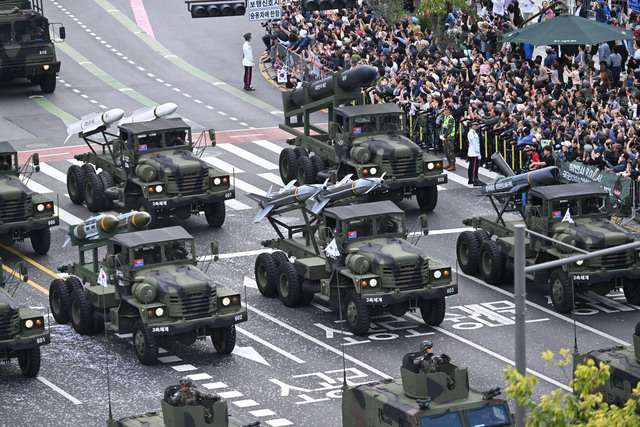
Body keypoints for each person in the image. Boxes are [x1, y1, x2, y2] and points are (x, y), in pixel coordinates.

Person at [441, 106, 456, 171]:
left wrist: (445, 136)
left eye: (445, 109)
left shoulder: (451, 118)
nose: (444, 111)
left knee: (450, 151)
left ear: (449, 111)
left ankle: (453, 165)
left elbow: (449, 129)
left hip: (449, 137)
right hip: (445, 137)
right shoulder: (445, 117)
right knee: (446, 151)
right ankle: (449, 163)